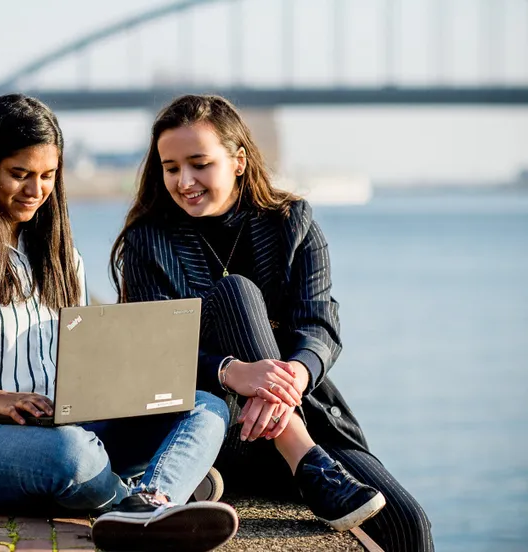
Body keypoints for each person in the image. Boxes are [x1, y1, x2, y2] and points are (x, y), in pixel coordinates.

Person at [0, 94, 239, 552]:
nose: (35, 190)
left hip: (62, 426)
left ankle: (149, 501)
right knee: (72, 456)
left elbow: (81, 368)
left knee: (204, 407)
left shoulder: (62, 259)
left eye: (47, 176)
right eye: (19, 174)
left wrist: (123, 383)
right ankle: (149, 500)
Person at [111, 95, 434, 551]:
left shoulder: (291, 222)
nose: (184, 181)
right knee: (235, 292)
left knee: (409, 524)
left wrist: (294, 378)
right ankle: (303, 457)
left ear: (238, 160)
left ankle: (302, 452)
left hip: (301, 411)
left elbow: (318, 326)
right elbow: (152, 351)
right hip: (218, 433)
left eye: (199, 164)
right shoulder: (149, 241)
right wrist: (231, 371)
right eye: (171, 168)